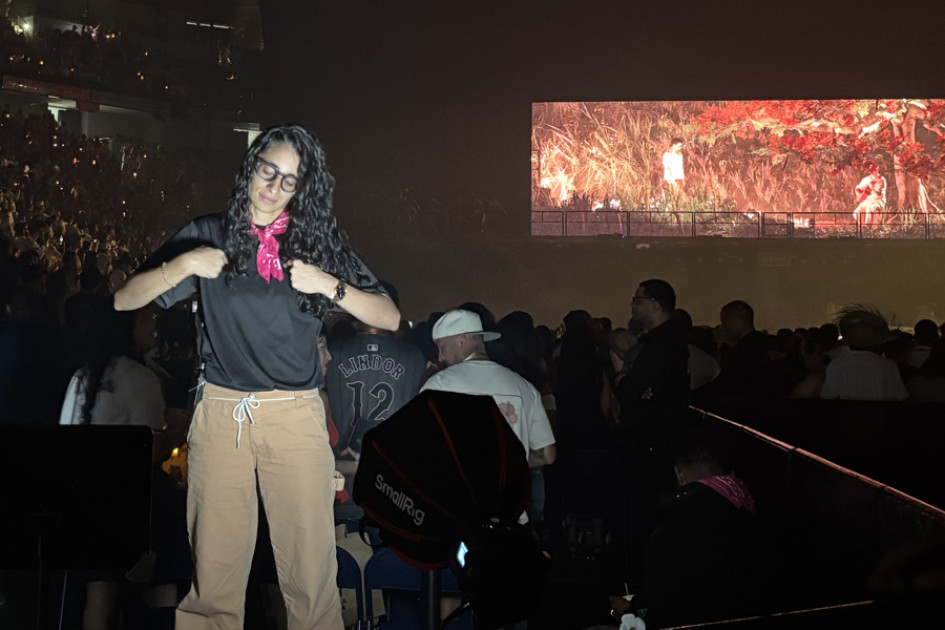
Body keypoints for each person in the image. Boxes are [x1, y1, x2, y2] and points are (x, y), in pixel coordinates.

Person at [114, 124, 400, 630]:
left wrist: (328, 284)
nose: (275, 186)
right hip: (222, 415)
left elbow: (389, 316)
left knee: (311, 578)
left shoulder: (315, 242)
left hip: (295, 417)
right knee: (214, 583)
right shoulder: (207, 232)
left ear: (302, 189)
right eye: (269, 170)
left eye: (290, 180)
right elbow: (125, 299)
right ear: (253, 165)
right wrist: (184, 264)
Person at [420, 310, 556, 492]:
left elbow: (422, 449)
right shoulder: (524, 387)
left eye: (441, 347)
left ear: (462, 339)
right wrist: (504, 463)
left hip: (459, 506)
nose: (440, 357)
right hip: (510, 509)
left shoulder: (439, 385)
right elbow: (547, 455)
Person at [853, 162, 886, 226]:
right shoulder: (866, 179)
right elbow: (858, 189)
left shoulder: (881, 180)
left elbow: (878, 195)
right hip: (868, 200)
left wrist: (872, 188)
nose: (872, 172)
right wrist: (860, 192)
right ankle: (862, 228)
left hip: (878, 201)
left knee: (870, 208)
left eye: (874, 170)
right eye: (871, 170)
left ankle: (869, 228)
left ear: (877, 170)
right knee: (858, 210)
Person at [661, 137, 685, 210]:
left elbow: (681, 167)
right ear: (674, 145)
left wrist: (683, 178)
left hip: (679, 177)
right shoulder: (667, 154)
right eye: (679, 146)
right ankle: (668, 209)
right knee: (672, 195)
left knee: (677, 195)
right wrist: (671, 179)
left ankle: (674, 209)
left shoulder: (680, 155)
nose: (680, 148)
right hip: (670, 177)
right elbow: (667, 167)